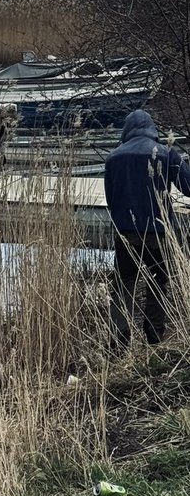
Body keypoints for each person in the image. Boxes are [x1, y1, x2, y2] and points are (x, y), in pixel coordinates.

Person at [104, 109, 190, 347]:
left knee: (123, 286)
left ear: (127, 129)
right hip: (158, 232)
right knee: (157, 282)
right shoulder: (165, 153)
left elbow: (111, 199)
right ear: (152, 129)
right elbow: (188, 187)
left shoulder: (113, 157)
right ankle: (154, 335)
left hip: (125, 233)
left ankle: (119, 341)